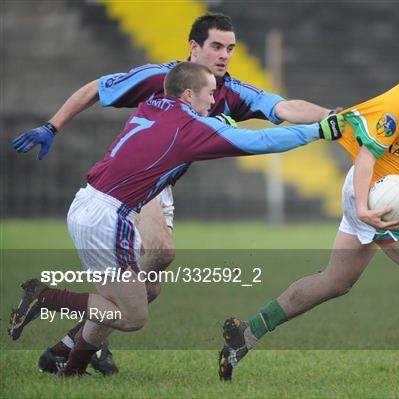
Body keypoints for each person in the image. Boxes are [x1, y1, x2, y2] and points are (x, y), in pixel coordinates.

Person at [11, 13, 334, 374]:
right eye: (216, 46)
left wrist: (336, 116)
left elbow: (283, 108)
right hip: (132, 188)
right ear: (193, 48)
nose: (225, 55)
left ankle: (72, 352)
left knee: (148, 287)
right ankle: (72, 331)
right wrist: (52, 125)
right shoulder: (160, 80)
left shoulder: (224, 91)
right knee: (148, 276)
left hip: (132, 184)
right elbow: (95, 89)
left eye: (230, 48)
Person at [218, 25, 399, 390]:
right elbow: (368, 156)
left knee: (335, 281)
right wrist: (366, 208)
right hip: (373, 194)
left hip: (383, 191)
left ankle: (247, 333)